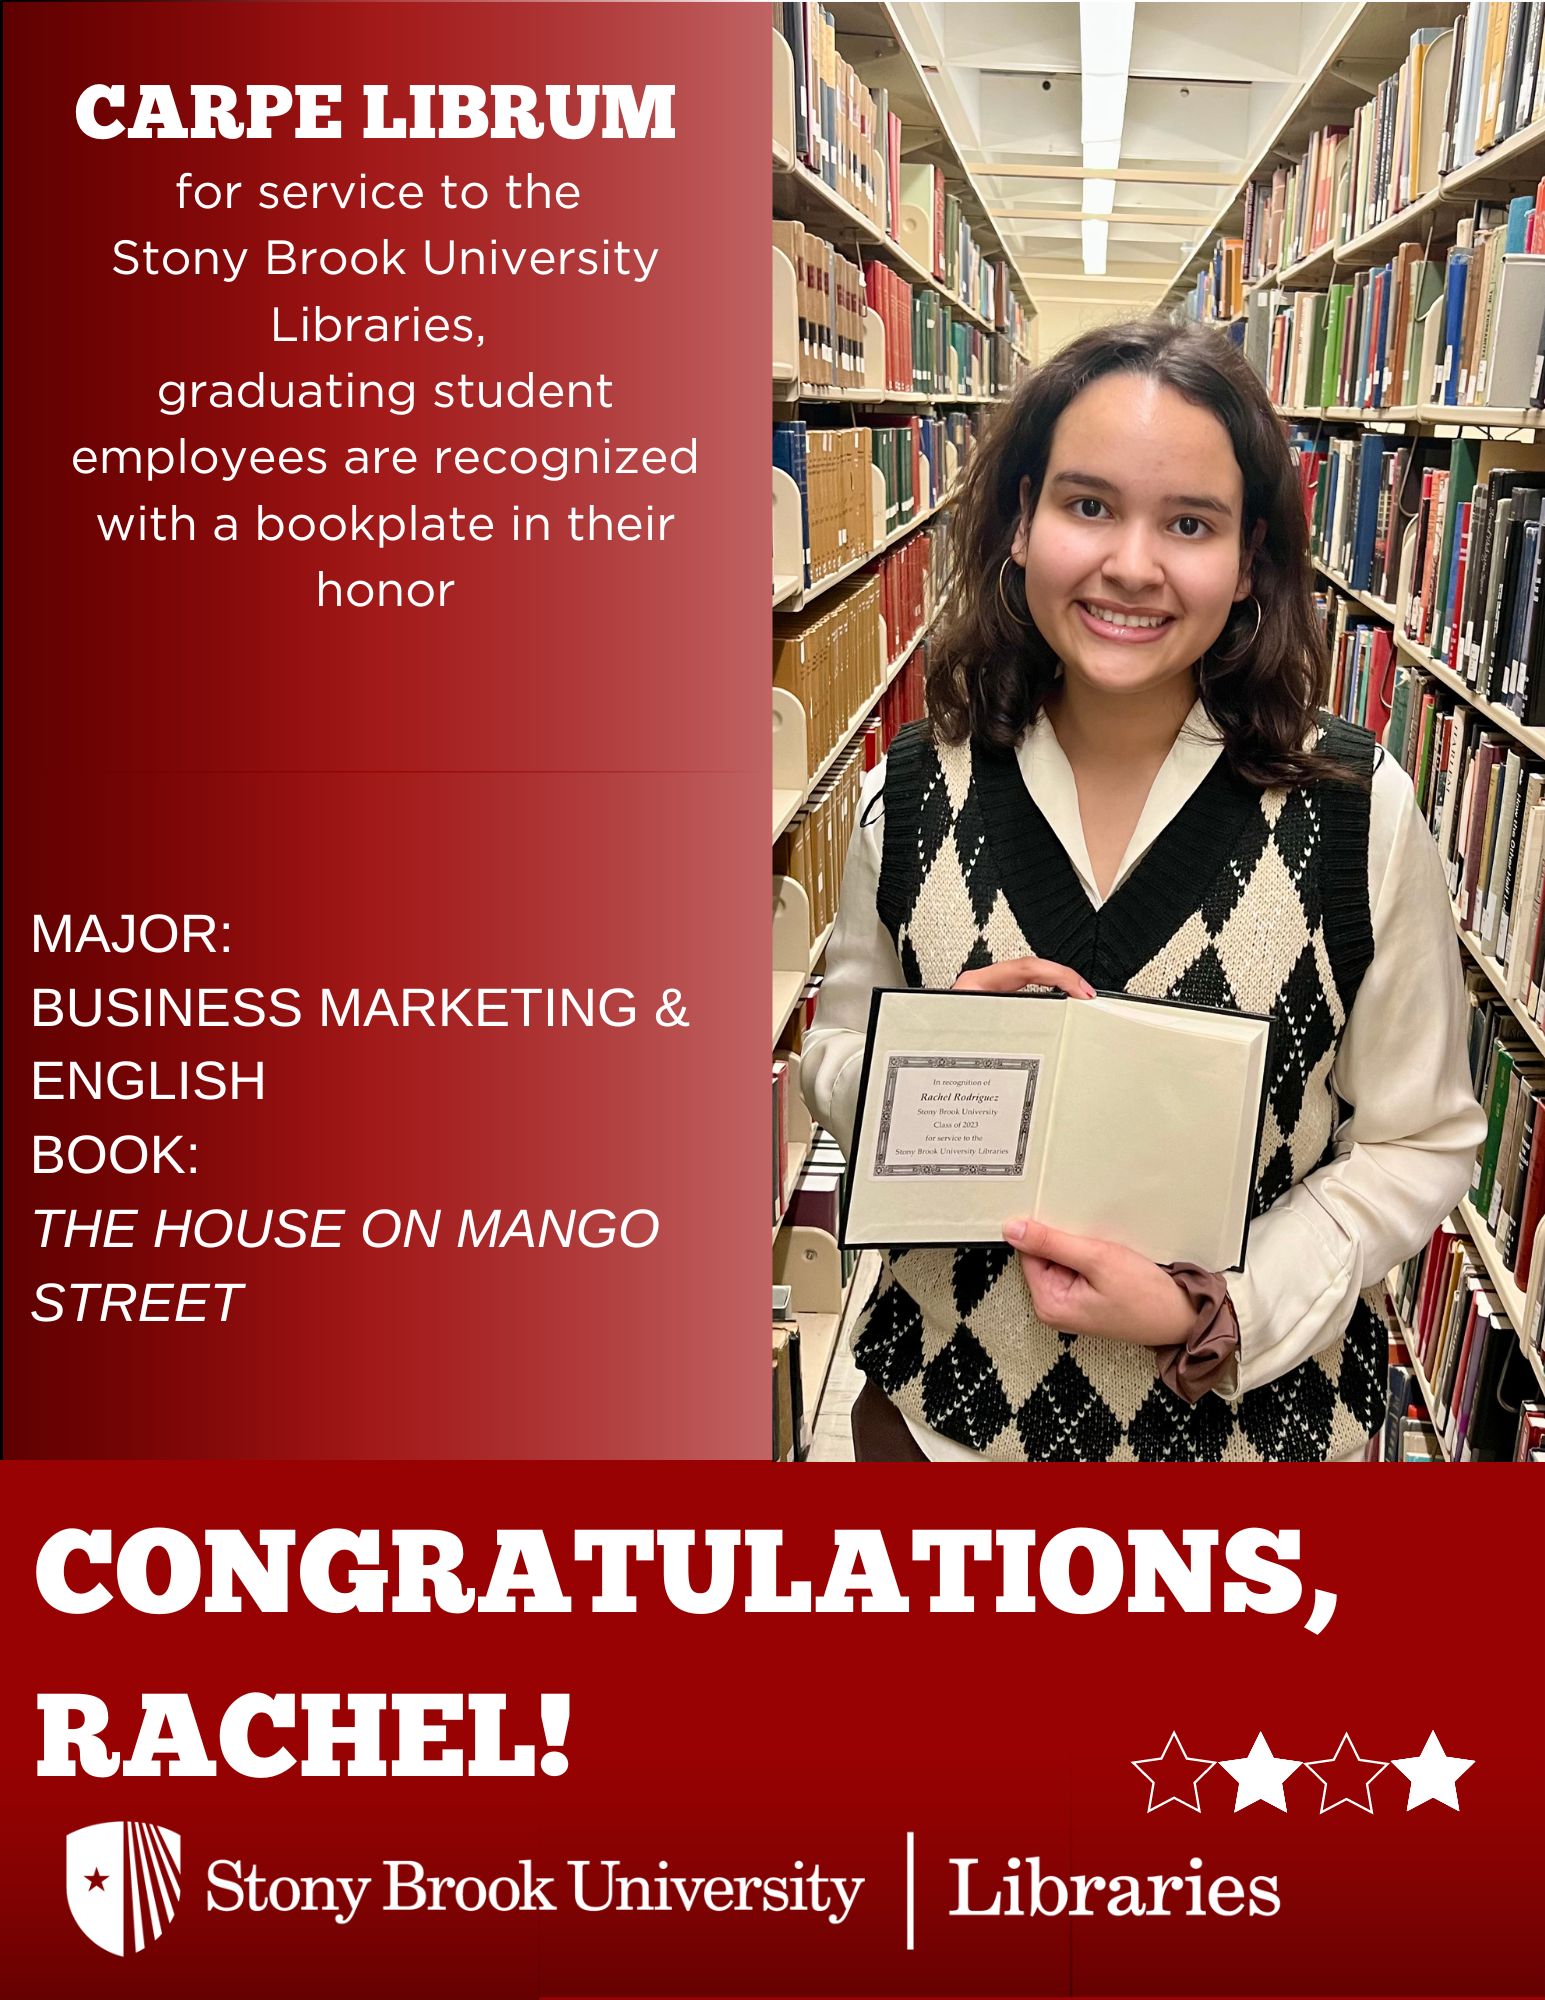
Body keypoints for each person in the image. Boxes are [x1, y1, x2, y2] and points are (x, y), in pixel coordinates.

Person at [801, 319, 1486, 1463]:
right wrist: (932, 1058)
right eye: (1087, 505)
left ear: (1251, 554)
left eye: (1188, 523)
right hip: (937, 1425)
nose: (1132, 563)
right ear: (1020, 522)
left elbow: (1418, 1142)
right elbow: (833, 1058)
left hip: (1256, 1448)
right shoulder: (913, 788)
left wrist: (1216, 1309)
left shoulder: (1358, 812)